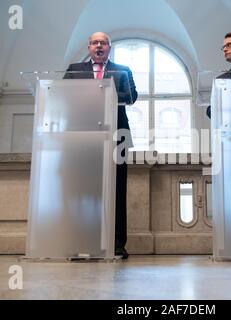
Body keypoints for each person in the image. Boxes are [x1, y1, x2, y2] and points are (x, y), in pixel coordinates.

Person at [64, 32, 138, 259]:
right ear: (88, 47)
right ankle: (82, 242)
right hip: (84, 136)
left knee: (117, 190)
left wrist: (107, 93)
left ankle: (116, 244)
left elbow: (132, 96)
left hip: (117, 136)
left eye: (103, 43)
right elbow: (63, 96)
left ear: (109, 47)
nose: (99, 46)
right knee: (84, 191)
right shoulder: (75, 69)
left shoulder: (122, 70)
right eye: (95, 42)